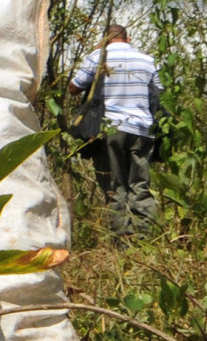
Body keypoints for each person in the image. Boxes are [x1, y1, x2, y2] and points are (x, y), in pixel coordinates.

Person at [68, 24, 161, 239]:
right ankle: (144, 237)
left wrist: (96, 56)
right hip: (142, 129)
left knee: (114, 185)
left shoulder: (98, 57)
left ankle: (121, 239)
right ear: (128, 39)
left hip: (111, 128)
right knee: (140, 184)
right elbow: (159, 93)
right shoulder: (147, 60)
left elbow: (74, 88)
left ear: (104, 40)